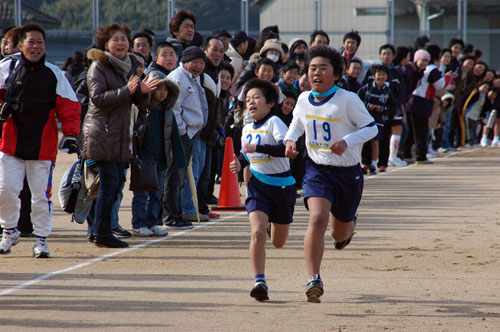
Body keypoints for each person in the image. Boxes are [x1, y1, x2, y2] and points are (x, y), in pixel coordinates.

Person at [284, 46, 377, 303]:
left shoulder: (348, 99)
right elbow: (297, 123)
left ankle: (349, 225)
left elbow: (371, 129)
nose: (316, 73)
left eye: (323, 68)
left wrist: (347, 141)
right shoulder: (303, 100)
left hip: (348, 174)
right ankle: (314, 277)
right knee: (317, 218)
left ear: (336, 74)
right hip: (318, 170)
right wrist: (291, 141)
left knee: (339, 234)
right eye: (312, 68)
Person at [0, 23, 81, 257]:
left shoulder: (54, 73)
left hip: (43, 147)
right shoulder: (7, 68)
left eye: (40, 42)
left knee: (40, 196)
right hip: (10, 144)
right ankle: (9, 232)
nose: (35, 46)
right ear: (21, 45)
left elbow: (70, 107)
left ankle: (42, 238)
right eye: (31, 42)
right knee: (6, 190)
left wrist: (71, 134)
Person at [82, 23, 158, 248]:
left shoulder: (129, 66)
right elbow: (97, 98)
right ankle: (103, 233)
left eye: (124, 39)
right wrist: (127, 90)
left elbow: (134, 100)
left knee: (114, 186)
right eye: (115, 39)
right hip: (102, 133)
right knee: (108, 185)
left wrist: (142, 93)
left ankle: (98, 231)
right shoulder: (99, 66)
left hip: (120, 134)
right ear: (105, 44)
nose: (121, 43)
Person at [229, 78, 297, 302]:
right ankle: (260, 281)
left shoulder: (275, 122)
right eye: (248, 99)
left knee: (278, 242)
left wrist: (255, 148)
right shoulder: (247, 128)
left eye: (256, 98)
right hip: (258, 186)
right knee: (256, 232)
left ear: (270, 103)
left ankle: (272, 225)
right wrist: (240, 161)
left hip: (283, 188)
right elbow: (246, 153)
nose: (251, 102)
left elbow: (284, 150)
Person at [131, 73, 180, 236]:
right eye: (158, 88)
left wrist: (181, 158)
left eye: (165, 89)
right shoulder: (141, 110)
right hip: (143, 159)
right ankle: (138, 224)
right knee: (141, 194)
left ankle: (152, 223)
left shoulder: (168, 112)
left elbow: (175, 136)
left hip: (160, 159)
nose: (162, 92)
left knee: (156, 194)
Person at [165, 46, 208, 229]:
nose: (198, 66)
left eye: (201, 63)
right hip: (180, 136)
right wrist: (182, 131)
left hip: (190, 135)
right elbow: (174, 109)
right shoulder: (177, 78)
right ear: (185, 61)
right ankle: (171, 217)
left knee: (181, 177)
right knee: (174, 176)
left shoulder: (193, 78)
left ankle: (176, 213)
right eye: (195, 62)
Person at [403, 47, 456, 164]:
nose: (424, 63)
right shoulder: (432, 69)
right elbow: (440, 85)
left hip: (413, 101)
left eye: (426, 60)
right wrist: (447, 78)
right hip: (421, 102)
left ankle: (407, 154)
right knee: (421, 131)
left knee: (413, 131)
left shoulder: (420, 70)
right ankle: (420, 156)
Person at [358, 65, 396, 174]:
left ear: (387, 77)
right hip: (365, 119)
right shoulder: (367, 88)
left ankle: (374, 165)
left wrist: (382, 108)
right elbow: (357, 100)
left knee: (375, 142)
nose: (381, 77)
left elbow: (392, 107)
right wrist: (368, 105)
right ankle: (363, 164)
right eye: (379, 74)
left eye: (383, 75)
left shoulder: (388, 91)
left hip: (379, 120)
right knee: (364, 141)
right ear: (374, 76)